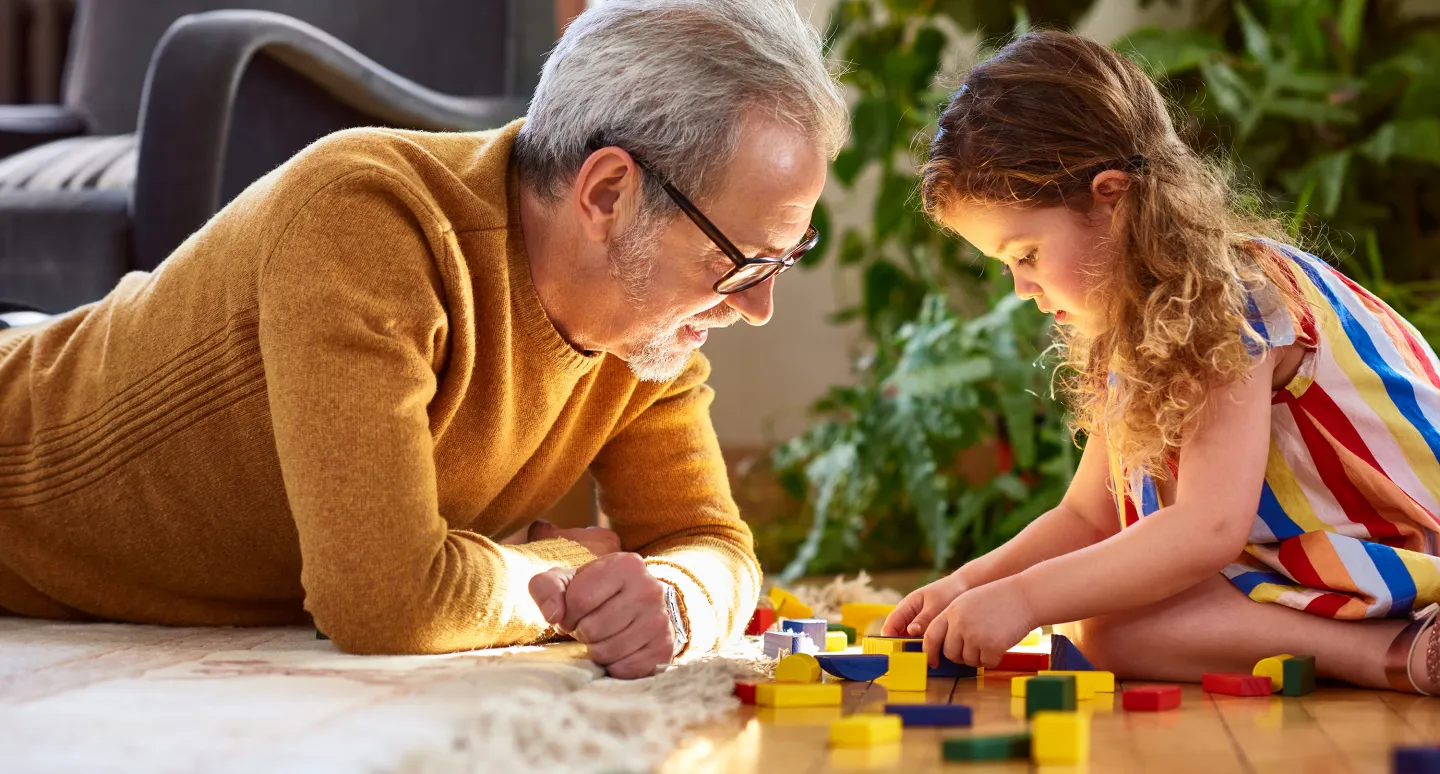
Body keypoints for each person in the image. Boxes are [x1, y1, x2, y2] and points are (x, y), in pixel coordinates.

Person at [0, 0, 846, 679]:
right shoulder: (366, 220)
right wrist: (553, 569)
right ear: (609, 193)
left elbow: (713, 543)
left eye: (785, 258)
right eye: (739, 259)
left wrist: (671, 594)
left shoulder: (647, 327)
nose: (758, 304)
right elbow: (384, 601)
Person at [885, 29, 1440, 695]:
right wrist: (970, 583)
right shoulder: (1135, 323)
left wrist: (1026, 601)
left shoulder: (1231, 299)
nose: (1021, 289)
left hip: (1405, 547)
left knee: (1112, 618)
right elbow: (1088, 517)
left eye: (1026, 254)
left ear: (1111, 200)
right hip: (1323, 562)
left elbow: (1206, 529)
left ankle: (1393, 651)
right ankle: (1386, 648)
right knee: (1113, 630)